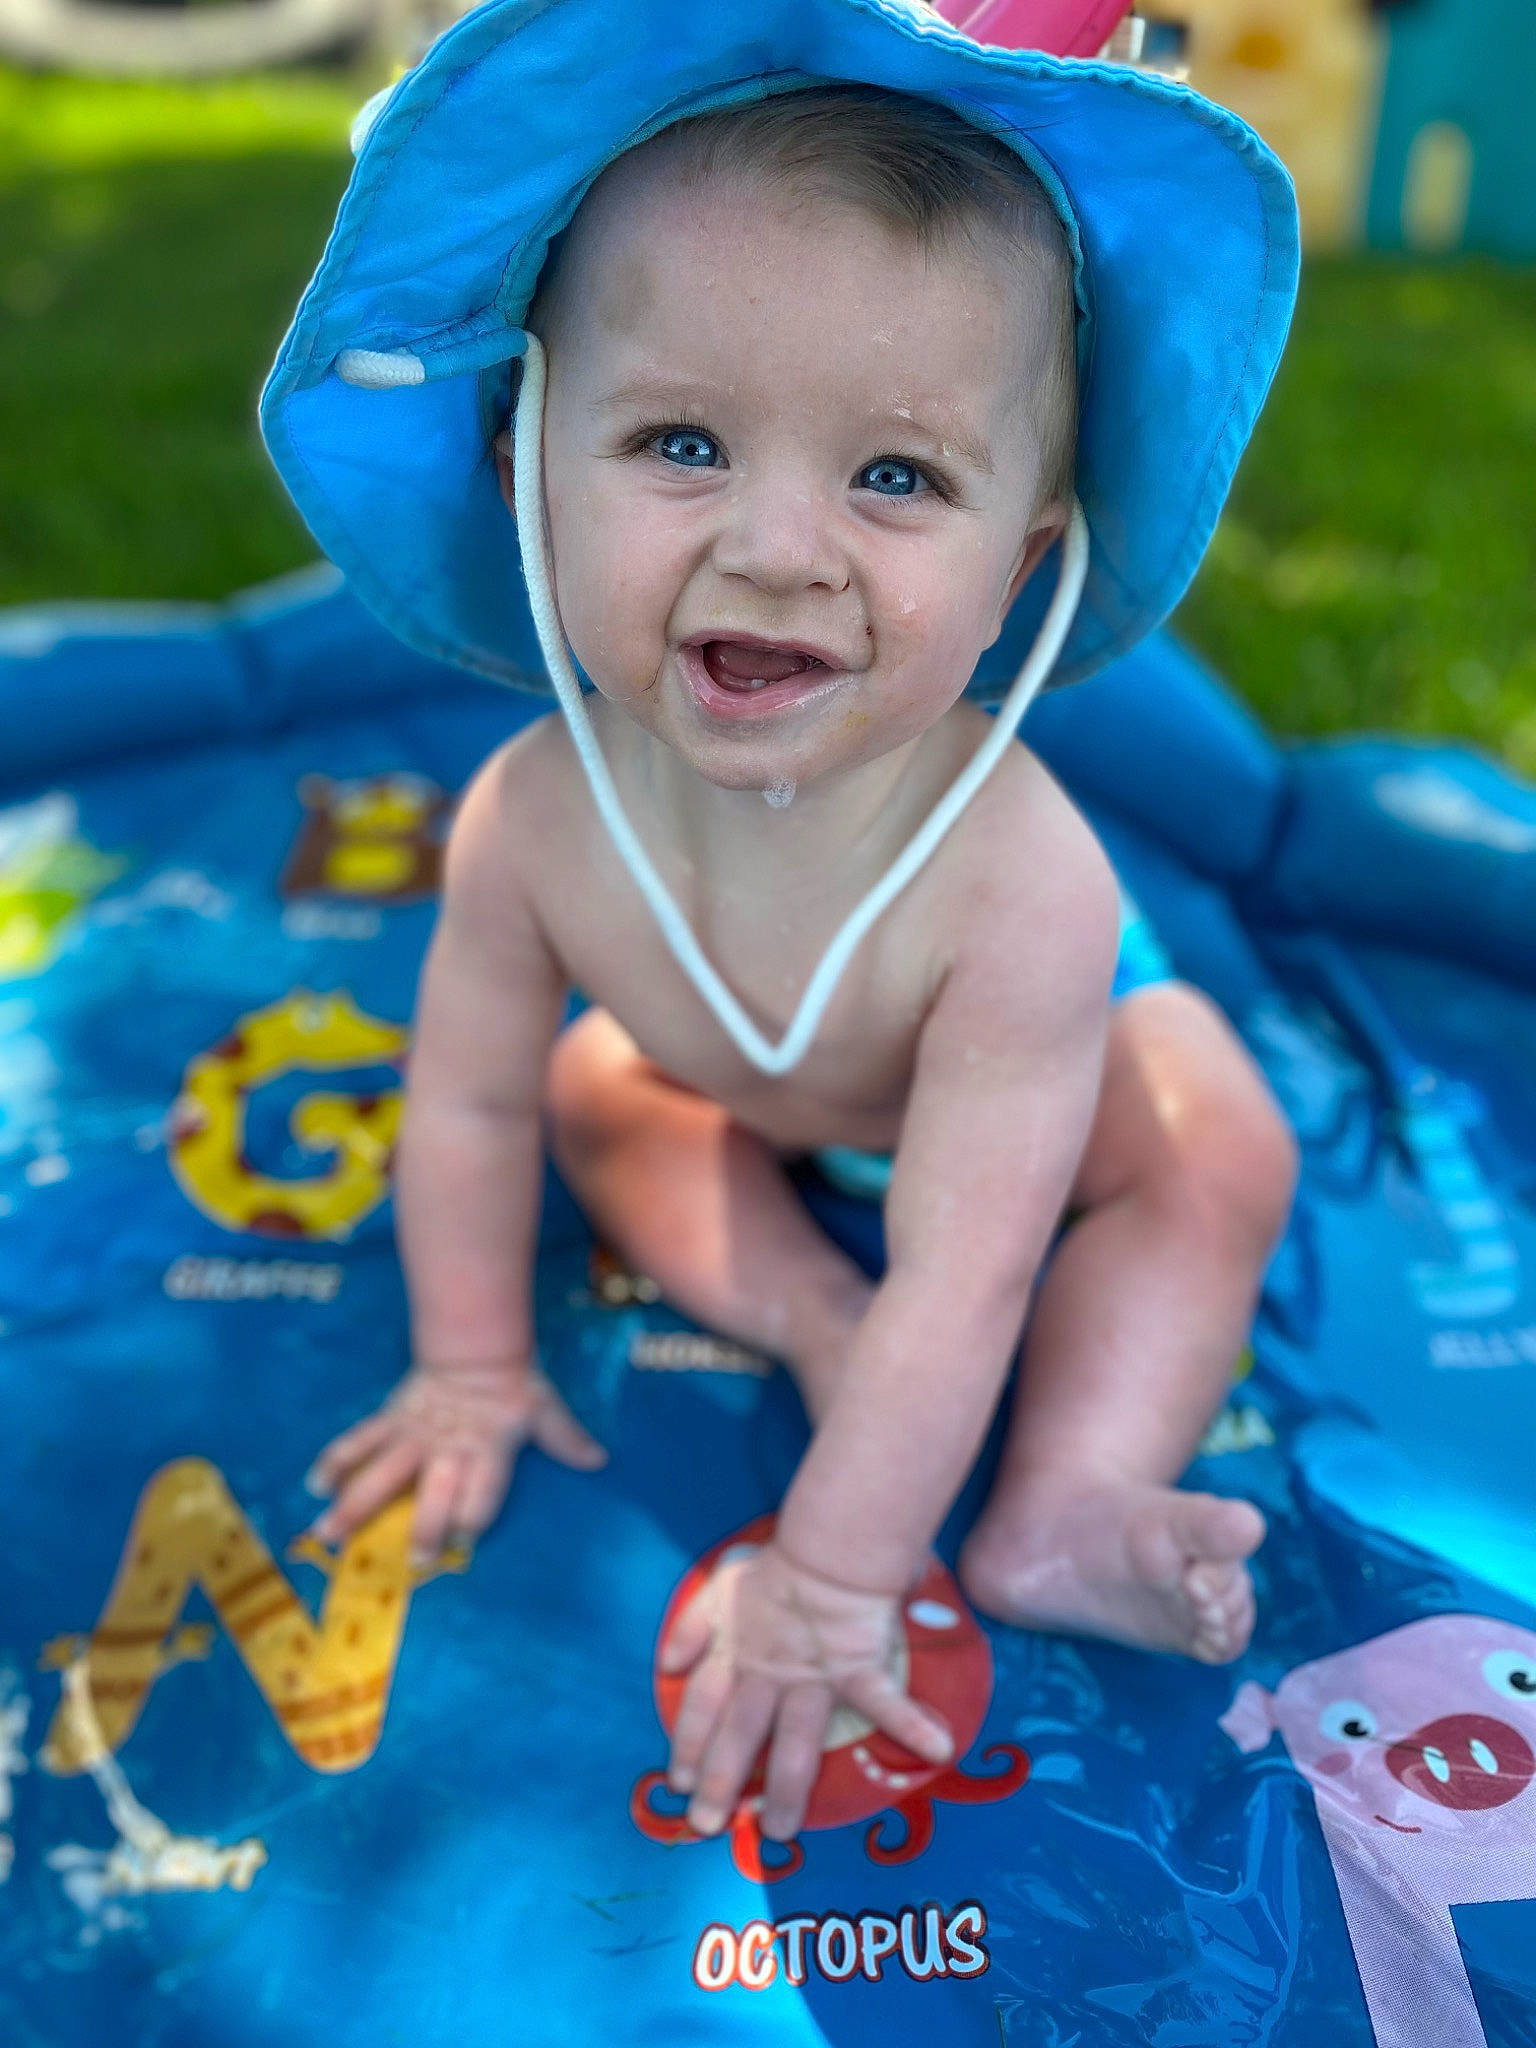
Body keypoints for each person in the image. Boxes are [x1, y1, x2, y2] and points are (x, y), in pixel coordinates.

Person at [263, 0, 1300, 1847]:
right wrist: (469, 1361)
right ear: (522, 462)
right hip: (737, 1085)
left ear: (1028, 555)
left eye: (897, 478)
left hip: (1017, 1127)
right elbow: (475, 1109)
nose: (781, 549)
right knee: (590, 1091)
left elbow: (975, 1269)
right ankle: (815, 1313)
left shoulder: (1016, 880)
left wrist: (831, 1576)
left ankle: (1065, 1494)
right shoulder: (535, 823)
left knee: (1214, 1138)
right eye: (678, 443)